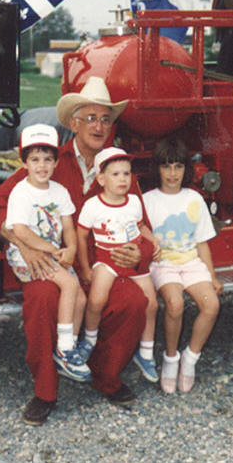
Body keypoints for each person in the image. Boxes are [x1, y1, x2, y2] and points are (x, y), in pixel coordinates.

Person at [0, 76, 149, 426]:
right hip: (52, 262)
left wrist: (140, 254)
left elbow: (142, 224)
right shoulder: (50, 161)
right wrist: (22, 241)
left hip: (103, 264)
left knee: (134, 302)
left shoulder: (119, 168)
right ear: (73, 123)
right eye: (89, 118)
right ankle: (45, 391)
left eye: (105, 119)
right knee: (42, 299)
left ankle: (105, 376)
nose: (98, 126)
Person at [4, 123, 89, 382]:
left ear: (55, 163)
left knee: (82, 300)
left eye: (48, 159)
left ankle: (67, 348)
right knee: (69, 285)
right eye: (35, 159)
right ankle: (64, 348)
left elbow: (68, 225)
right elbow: (20, 231)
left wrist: (71, 249)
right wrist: (54, 249)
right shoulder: (21, 192)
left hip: (52, 253)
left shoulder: (59, 191)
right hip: (27, 256)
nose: (42, 166)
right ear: (25, 163)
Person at [142, 138, 222, 393]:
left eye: (178, 167)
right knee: (174, 305)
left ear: (186, 169)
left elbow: (202, 243)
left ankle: (190, 358)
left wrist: (212, 275)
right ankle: (171, 357)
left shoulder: (194, 198)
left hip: (191, 262)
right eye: (167, 167)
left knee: (211, 306)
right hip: (163, 264)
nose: (173, 173)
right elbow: (141, 232)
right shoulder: (147, 200)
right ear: (158, 170)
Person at [76, 147, 160, 385]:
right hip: (107, 259)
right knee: (96, 300)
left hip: (133, 262)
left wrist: (153, 240)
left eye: (126, 173)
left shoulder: (133, 201)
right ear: (101, 179)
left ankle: (145, 352)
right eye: (115, 174)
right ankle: (89, 340)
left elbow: (141, 225)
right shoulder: (93, 206)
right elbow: (82, 235)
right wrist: (85, 267)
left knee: (151, 304)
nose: (123, 179)